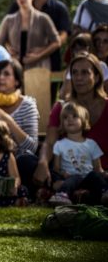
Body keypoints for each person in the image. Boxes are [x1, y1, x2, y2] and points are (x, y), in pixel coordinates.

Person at [37, 53, 108, 196]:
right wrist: (43, 163)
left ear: (97, 77)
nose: (78, 78)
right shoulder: (61, 107)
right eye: (74, 73)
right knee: (27, 162)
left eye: (85, 73)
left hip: (101, 173)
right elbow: (49, 143)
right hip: (67, 174)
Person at [0, 59, 41, 195]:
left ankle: (17, 191)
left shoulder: (27, 105)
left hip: (18, 161)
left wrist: (7, 119)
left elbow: (32, 147)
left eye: (6, 74)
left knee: (28, 161)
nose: (0, 77)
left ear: (17, 81)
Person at [6, 0, 71, 71]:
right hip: (19, 64)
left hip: (49, 64)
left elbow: (63, 36)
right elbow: (6, 32)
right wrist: (9, 49)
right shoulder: (17, 5)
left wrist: (41, 53)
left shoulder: (60, 8)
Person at [49, 102, 106, 206]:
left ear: (83, 121)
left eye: (75, 116)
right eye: (65, 117)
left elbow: (98, 168)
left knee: (94, 175)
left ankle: (105, 193)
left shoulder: (91, 144)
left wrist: (104, 174)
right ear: (62, 123)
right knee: (75, 177)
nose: (69, 119)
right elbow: (56, 168)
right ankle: (61, 195)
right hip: (69, 179)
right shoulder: (60, 144)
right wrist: (63, 173)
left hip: (88, 180)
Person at [0, 0, 60, 70]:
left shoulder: (43, 18)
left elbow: (57, 42)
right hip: (14, 69)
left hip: (39, 68)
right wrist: (8, 50)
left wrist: (40, 54)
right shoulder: (8, 20)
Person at [60, 33, 108, 99]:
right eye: (76, 48)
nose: (79, 51)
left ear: (90, 48)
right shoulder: (72, 68)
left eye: (82, 47)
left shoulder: (101, 66)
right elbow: (63, 95)